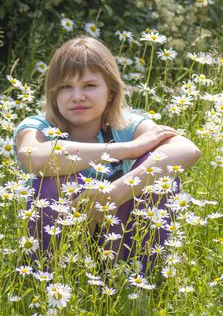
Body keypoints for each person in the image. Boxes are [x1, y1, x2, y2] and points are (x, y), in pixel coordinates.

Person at [13, 36, 201, 272]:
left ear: (110, 92)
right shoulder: (37, 127)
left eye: (89, 86)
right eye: (65, 87)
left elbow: (187, 150)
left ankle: (144, 278)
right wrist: (126, 149)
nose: (77, 96)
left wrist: (115, 193)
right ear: (53, 94)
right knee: (53, 180)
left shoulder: (126, 126)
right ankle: (48, 274)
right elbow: (34, 157)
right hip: (65, 240)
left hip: (121, 237)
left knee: (163, 179)